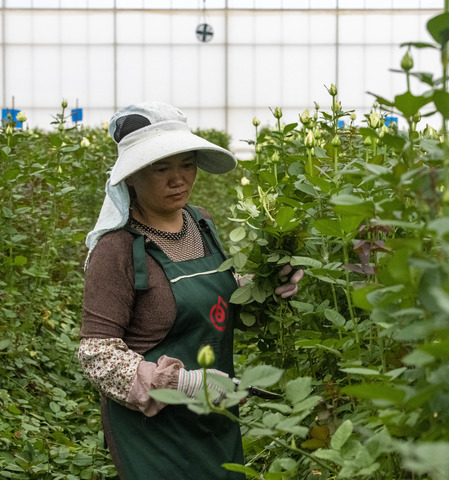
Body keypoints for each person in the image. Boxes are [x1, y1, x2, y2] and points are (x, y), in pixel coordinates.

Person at [78, 101, 303, 480]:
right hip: (155, 431)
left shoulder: (202, 223)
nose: (177, 179)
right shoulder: (117, 249)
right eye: (160, 168)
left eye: (186, 164)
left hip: (214, 420)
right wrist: (183, 383)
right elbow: (95, 353)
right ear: (130, 176)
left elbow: (216, 303)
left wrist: (266, 286)